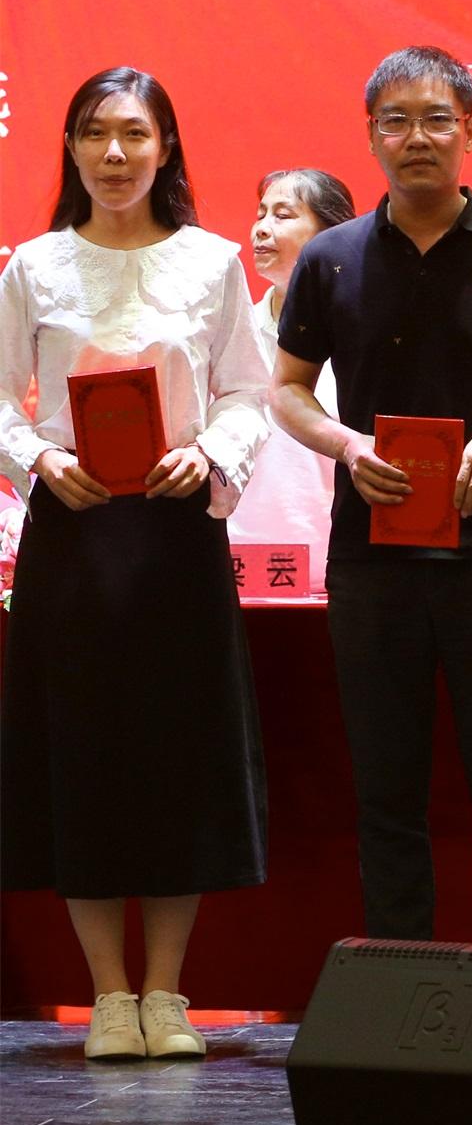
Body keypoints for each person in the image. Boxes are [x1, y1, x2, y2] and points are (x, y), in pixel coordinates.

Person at [270, 46, 472, 945]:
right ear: (372, 134)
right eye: (397, 121)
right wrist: (345, 444)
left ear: (471, 131)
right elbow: (287, 390)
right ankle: (397, 992)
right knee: (386, 796)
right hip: (373, 562)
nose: (417, 137)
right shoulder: (331, 259)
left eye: (437, 119)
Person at [0, 69, 273, 1064]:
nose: (113, 154)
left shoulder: (211, 261)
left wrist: (214, 452)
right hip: (74, 533)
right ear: (71, 148)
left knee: (176, 755)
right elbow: (1, 397)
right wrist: (39, 459)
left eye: (133, 134)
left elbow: (246, 392)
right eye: (93, 134)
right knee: (82, 755)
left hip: (175, 531)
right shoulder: (34, 266)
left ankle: (166, 989)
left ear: (166, 148)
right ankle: (108, 996)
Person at [229, 168, 357, 570]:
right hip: (238, 563)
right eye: (261, 214)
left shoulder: (360, 340)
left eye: (283, 216)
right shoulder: (233, 335)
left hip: (332, 565)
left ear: (331, 235)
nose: (262, 229)